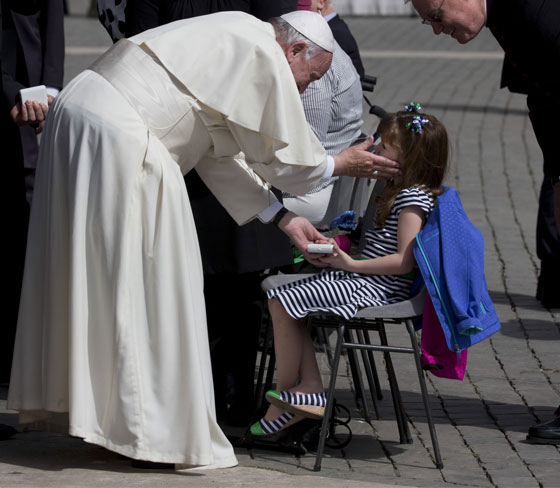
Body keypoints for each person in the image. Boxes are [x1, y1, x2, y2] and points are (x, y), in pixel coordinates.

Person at [7, 11, 398, 468]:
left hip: (83, 115)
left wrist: (282, 218)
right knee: (154, 287)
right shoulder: (262, 50)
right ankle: (149, 431)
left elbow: (215, 149)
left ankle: (100, 415)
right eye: (309, 78)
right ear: (293, 50)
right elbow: (286, 163)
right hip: (122, 134)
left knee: (95, 277)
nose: (303, 90)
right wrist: (338, 163)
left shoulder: (234, 35)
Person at [408, 0, 560, 448]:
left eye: (437, 15)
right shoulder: (509, 13)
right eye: (427, 22)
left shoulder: (537, 15)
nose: (437, 30)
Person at [250, 108, 449, 435]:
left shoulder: (412, 198)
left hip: (381, 287)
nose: (376, 149)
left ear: (409, 157)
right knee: (282, 298)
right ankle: (305, 389)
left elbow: (404, 262)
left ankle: (289, 396)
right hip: (364, 279)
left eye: (385, 146)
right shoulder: (393, 189)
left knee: (282, 300)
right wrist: (337, 249)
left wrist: (350, 264)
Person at [1, 0, 64, 385]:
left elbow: (50, 14)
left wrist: (48, 91)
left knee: (19, 240)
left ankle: (13, 360)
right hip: (15, 96)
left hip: (28, 109)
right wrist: (11, 94)